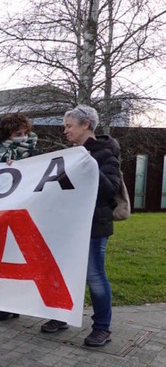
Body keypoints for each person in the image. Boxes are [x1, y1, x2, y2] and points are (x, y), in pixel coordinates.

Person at [40, 105, 121, 347]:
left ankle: (102, 328)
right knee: (62, 272)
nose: (65, 131)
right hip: (69, 224)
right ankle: (60, 315)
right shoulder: (71, 155)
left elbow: (110, 191)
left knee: (94, 276)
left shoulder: (106, 154)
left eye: (69, 126)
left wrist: (89, 164)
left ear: (85, 125)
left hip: (94, 227)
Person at [0, 113, 41, 321]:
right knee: (4, 259)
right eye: (17, 134)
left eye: (24, 133)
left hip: (28, 213)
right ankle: (5, 303)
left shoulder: (36, 153)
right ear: (7, 135)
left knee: (22, 260)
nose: (23, 137)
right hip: (3, 214)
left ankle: (19, 303)